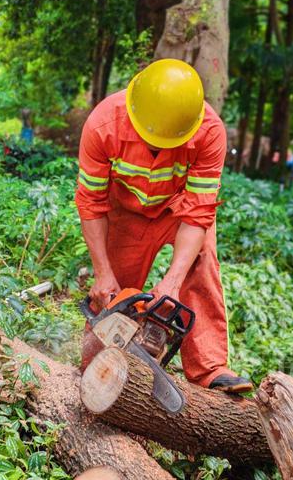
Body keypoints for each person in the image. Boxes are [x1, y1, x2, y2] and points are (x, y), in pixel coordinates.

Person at [75, 59, 253, 393]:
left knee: (201, 261)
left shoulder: (210, 132)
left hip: (179, 210)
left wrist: (172, 281)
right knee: (115, 293)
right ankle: (95, 367)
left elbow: (199, 211)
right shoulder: (103, 124)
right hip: (125, 211)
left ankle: (209, 368)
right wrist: (102, 272)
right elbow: (91, 203)